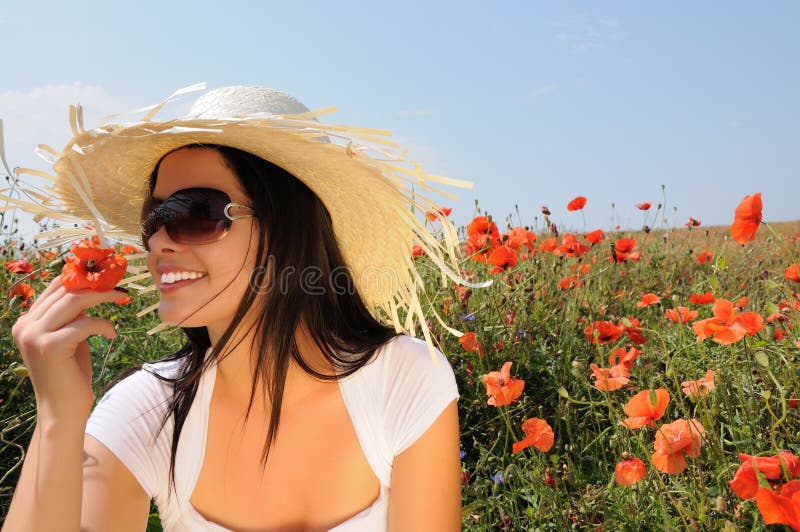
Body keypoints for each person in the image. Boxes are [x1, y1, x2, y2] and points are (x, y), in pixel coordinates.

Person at [2, 85, 473, 531]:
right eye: (154, 218)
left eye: (197, 213)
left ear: (287, 230)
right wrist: (58, 420)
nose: (160, 240)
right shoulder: (147, 413)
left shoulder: (404, 379)